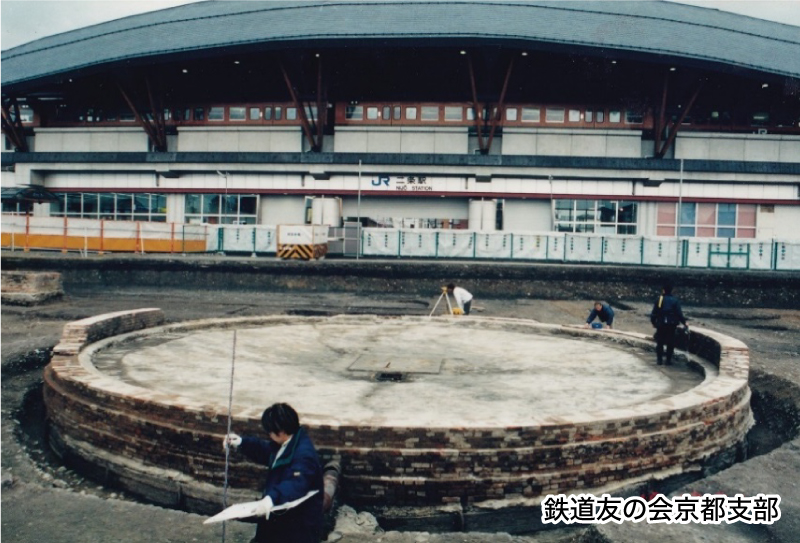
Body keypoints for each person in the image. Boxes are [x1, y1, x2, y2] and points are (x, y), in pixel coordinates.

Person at [223, 403, 324, 543]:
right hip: (279, 516)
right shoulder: (288, 441)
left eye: (270, 432)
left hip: (296, 524)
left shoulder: (304, 455)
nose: (269, 435)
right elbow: (266, 450)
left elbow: (295, 483)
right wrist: (242, 443)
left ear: (281, 432)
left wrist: (272, 498)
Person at [650, 283, 689, 366]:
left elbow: (654, 313)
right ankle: (668, 360)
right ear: (672, 291)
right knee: (670, 342)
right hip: (671, 324)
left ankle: (659, 360)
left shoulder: (659, 299)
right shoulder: (675, 301)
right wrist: (684, 322)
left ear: (663, 290)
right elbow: (679, 314)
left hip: (661, 324)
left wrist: (653, 322)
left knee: (660, 342)